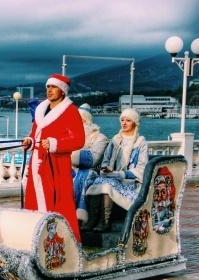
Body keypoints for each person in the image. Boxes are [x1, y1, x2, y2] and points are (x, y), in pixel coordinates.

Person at [22, 74, 85, 241]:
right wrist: (30, 140)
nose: (49, 90)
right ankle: (34, 235)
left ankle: (59, 238)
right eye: (48, 87)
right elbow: (36, 134)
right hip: (37, 161)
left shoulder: (71, 111)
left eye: (53, 87)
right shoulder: (41, 110)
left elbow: (79, 139)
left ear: (62, 91)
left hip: (56, 165)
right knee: (34, 198)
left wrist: (55, 143)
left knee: (58, 201)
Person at [85, 108, 148, 232]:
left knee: (106, 185)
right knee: (96, 182)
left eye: (128, 120)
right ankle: (93, 220)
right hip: (112, 176)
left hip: (129, 182)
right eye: (122, 120)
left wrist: (120, 174)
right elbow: (106, 160)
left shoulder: (140, 142)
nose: (124, 123)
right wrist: (106, 169)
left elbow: (141, 168)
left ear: (135, 123)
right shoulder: (115, 139)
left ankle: (105, 222)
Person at [71, 103, 108, 231]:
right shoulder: (71, 136)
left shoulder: (100, 138)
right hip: (71, 170)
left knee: (84, 176)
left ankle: (80, 217)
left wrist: (69, 153)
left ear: (86, 120)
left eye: (78, 119)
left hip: (92, 172)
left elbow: (91, 160)